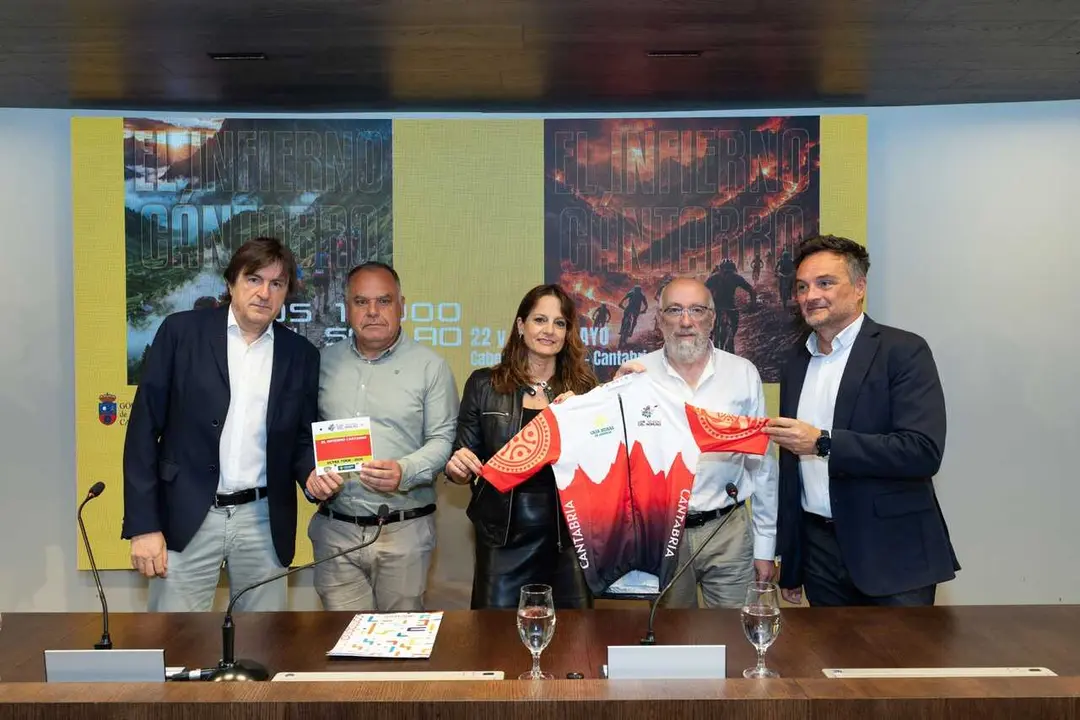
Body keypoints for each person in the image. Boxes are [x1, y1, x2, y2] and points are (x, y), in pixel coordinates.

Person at [122, 237, 320, 612]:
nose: (265, 292)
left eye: (277, 284)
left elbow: (299, 440)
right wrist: (144, 525)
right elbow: (143, 431)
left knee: (263, 648)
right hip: (187, 514)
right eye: (254, 279)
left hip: (263, 521)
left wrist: (311, 474)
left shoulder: (301, 355)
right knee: (176, 646)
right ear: (232, 283)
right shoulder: (181, 333)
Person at [765, 234, 959, 607]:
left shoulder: (902, 351)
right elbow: (792, 468)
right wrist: (792, 560)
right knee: (829, 665)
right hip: (818, 554)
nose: (811, 296)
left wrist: (823, 442)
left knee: (897, 665)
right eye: (802, 287)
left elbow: (922, 451)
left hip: (893, 552)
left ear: (859, 288)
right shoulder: (795, 361)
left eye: (825, 283)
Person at [614, 277, 778, 608]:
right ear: (659, 320)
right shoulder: (635, 375)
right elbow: (616, 461)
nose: (686, 321)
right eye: (674, 310)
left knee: (735, 639)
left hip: (728, 529)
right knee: (673, 644)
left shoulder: (743, 373)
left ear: (713, 318)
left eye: (697, 310)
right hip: (662, 534)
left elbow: (763, 465)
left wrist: (765, 546)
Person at [305, 261, 458, 611]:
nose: (372, 312)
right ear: (347, 308)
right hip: (336, 531)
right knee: (341, 650)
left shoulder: (430, 366)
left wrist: (404, 470)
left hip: (403, 530)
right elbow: (301, 437)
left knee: (400, 648)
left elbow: (443, 441)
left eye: (384, 301)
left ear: (402, 305)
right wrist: (310, 476)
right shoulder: (320, 363)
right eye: (361, 302)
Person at [445, 284, 598, 609]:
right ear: (520, 326)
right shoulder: (484, 384)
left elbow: (601, 463)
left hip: (569, 539)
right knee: (495, 643)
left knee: (575, 642)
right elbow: (461, 463)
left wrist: (588, 415)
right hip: (502, 538)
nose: (549, 330)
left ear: (568, 332)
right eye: (540, 320)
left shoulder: (584, 389)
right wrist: (457, 467)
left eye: (560, 323)